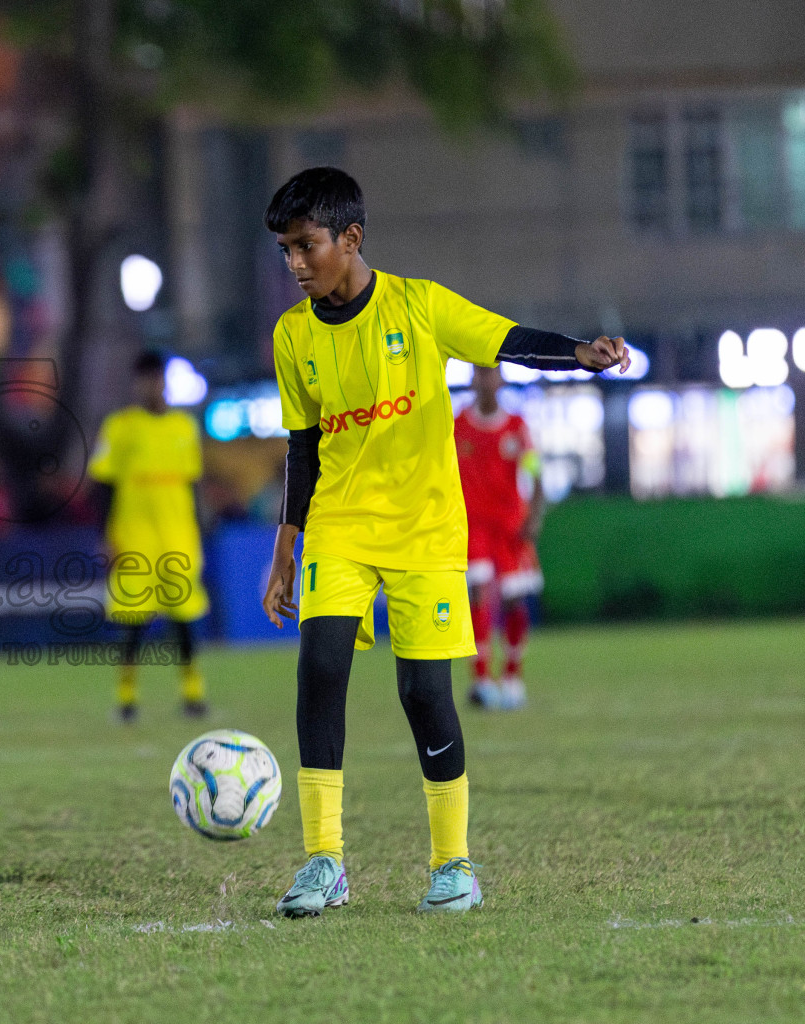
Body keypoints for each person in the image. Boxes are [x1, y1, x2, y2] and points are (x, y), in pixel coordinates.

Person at [259, 167, 628, 917]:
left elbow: (506, 338)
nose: (296, 264)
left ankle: (452, 865)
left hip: (426, 532)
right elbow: (303, 449)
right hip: (340, 528)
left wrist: (580, 354)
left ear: (351, 238)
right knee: (319, 672)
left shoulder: (419, 307)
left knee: (424, 694)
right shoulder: (291, 336)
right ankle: (323, 860)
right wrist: (284, 551)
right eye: (286, 251)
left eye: (307, 246)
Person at [87, 350, 210, 723]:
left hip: (177, 538)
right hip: (134, 539)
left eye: (156, 378)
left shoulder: (184, 428)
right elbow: (102, 486)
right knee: (132, 622)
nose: (151, 385)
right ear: (136, 383)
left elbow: (193, 486)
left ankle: (193, 694)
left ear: (164, 381)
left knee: (184, 620)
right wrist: (106, 536)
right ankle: (126, 699)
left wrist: (201, 528)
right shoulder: (119, 427)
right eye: (145, 379)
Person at [455, 366, 545, 711]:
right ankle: (480, 680)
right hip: (473, 526)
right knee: (477, 593)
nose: (484, 380)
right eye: (479, 374)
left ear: (501, 380)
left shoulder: (517, 428)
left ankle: (511, 676)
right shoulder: (457, 425)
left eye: (490, 374)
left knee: (514, 600)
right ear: (472, 380)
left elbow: (536, 475)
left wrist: (534, 518)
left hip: (511, 527)